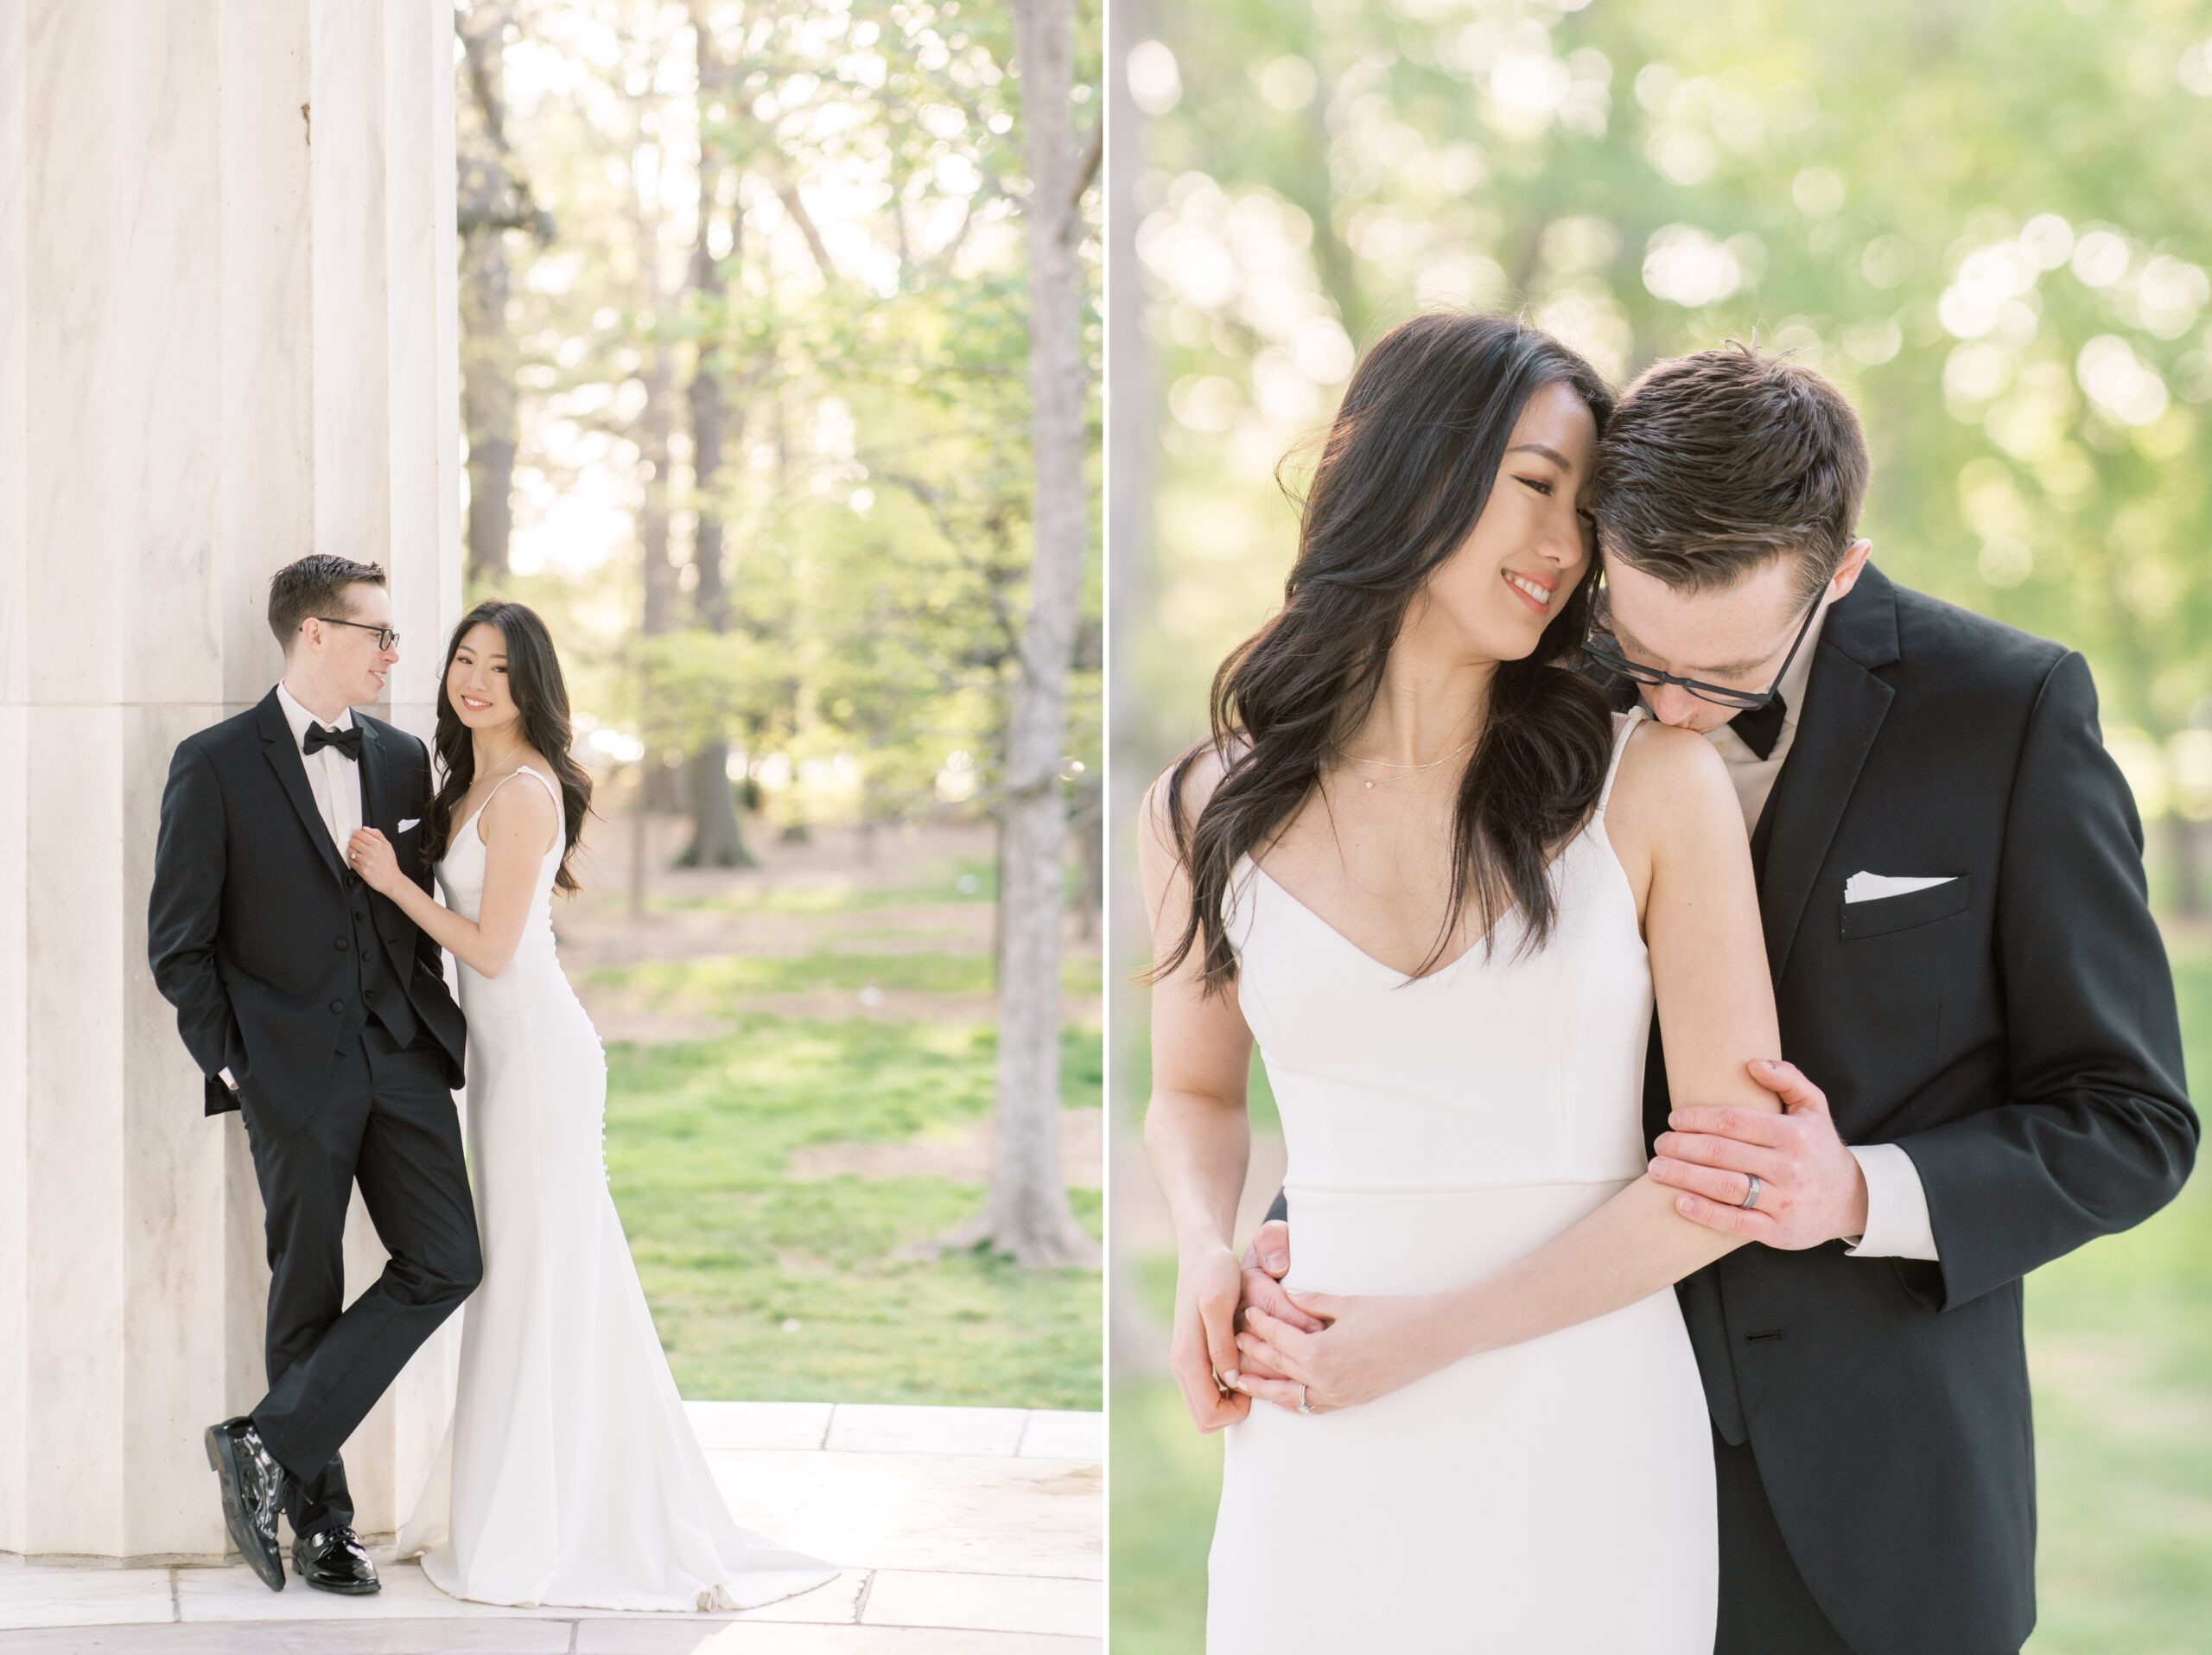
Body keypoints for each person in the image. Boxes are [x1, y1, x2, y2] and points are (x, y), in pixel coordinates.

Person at [1232, 342, 2198, 1654]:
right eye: (1640, 655)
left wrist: (1856, 1191)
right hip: (1560, 1428)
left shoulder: (2006, 709)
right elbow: (1439, 1014)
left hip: (1877, 1486)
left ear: (1837, 571)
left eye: (1725, 676)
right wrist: (1299, 1229)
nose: (1674, 710)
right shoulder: (1532, 692)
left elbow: (2131, 1120)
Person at [1141, 313, 1797, 1652]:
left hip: (1586, 1423)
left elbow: (1730, 1175)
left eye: (1585, 510)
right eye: (1534, 483)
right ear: (1404, 463)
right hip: (1313, 1411)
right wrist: (1207, 1248)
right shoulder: (1204, 805)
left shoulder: (1651, 781)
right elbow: (1193, 1093)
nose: (1565, 546)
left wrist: (1426, 1337)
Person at [342, 599, 836, 1613]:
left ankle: (566, 1522)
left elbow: (490, 950)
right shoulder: (466, 778)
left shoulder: (526, 791)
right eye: (464, 660)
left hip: (540, 1063)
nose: (476, 682)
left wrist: (393, 883)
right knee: (528, 1276)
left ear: (532, 686)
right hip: (503, 1063)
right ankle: (523, 1503)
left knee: (545, 1276)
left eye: (500, 668)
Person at [149, 555, 480, 1595]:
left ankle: (264, 1440)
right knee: (307, 1284)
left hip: (401, 1055)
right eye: (378, 633)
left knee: (447, 1259)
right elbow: (179, 945)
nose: (394, 654)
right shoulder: (214, 763)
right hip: (288, 1071)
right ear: (314, 635)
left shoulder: (401, 758)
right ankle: (325, 1527)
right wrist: (240, 1066)